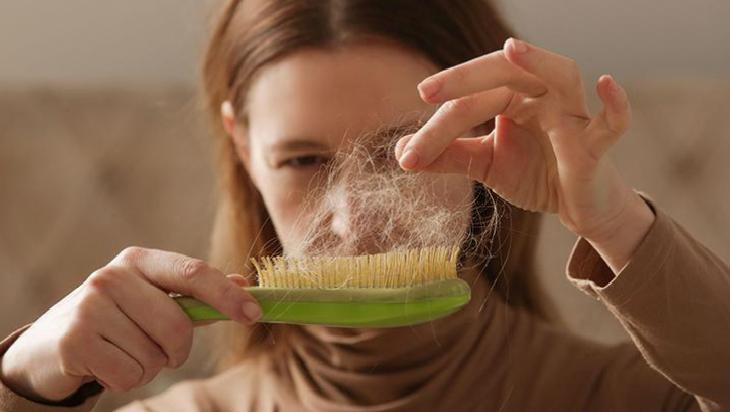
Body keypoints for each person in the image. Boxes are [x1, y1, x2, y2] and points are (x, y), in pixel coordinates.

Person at [1, 1, 728, 411]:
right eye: (304, 160)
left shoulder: (632, 399)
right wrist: (23, 380)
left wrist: (614, 221)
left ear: (488, 136)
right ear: (243, 148)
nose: (356, 219)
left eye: (409, 150)